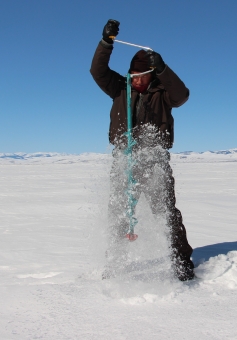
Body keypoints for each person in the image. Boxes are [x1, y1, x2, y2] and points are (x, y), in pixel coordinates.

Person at [90, 19, 194, 281]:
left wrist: (164, 70)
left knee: (167, 215)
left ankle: (182, 265)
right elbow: (97, 71)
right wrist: (106, 43)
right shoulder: (119, 88)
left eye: (142, 77)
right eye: (134, 77)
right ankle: (115, 264)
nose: (137, 82)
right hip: (124, 162)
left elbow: (182, 95)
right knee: (118, 215)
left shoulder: (163, 94)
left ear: (152, 74)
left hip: (155, 163)